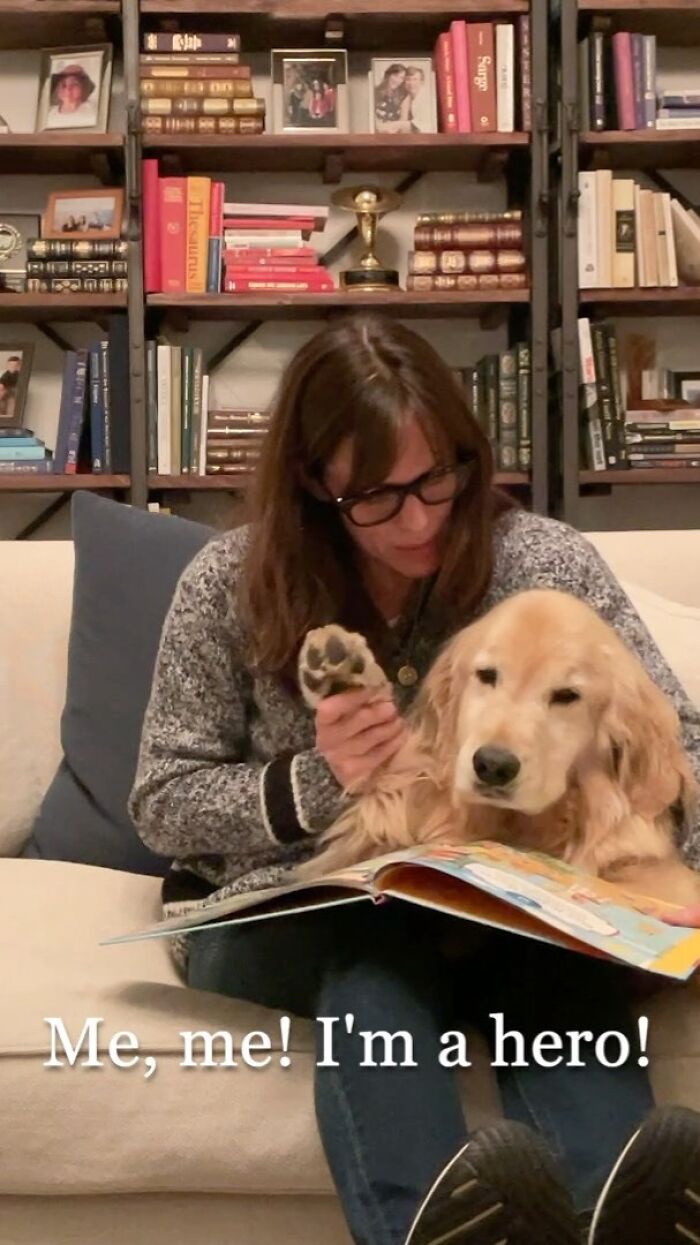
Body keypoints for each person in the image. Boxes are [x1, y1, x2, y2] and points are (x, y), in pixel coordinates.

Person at [129, 314, 700, 1245]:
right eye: (380, 497)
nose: (423, 518)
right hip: (303, 910)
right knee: (377, 957)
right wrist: (321, 780)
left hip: (511, 911)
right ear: (317, 483)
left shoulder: (541, 561)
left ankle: (622, 1221)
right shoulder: (230, 582)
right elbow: (162, 802)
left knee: (556, 962)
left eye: (438, 478)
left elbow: (676, 741)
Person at [46, 63, 98, 129]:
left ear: (84, 89)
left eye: (74, 84)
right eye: (63, 85)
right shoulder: (50, 114)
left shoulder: (92, 112)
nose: (68, 89)